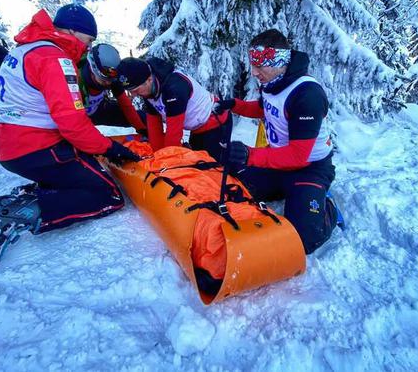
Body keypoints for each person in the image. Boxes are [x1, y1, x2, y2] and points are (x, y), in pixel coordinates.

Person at [0, 4, 141, 272]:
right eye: (88, 40)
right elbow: (72, 123)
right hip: (37, 146)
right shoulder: (55, 58)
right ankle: (15, 212)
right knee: (109, 195)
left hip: (13, 146)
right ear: (74, 31)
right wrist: (109, 148)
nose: (87, 48)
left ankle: (35, 194)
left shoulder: (26, 49)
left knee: (88, 165)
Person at [214, 29, 339, 254]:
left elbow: (298, 156)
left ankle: (325, 206)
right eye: (252, 65)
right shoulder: (273, 82)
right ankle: (290, 192)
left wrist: (250, 155)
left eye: (260, 66)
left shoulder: (306, 94)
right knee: (232, 184)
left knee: (303, 239)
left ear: (279, 62)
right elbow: (266, 109)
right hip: (279, 163)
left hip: (309, 168)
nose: (254, 73)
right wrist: (235, 105)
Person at [116, 56, 232, 162]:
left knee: (214, 166)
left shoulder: (174, 88)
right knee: (198, 162)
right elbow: (154, 129)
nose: (134, 95)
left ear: (149, 79)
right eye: (130, 91)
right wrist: (157, 157)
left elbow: (174, 134)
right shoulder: (148, 90)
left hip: (216, 123)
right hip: (197, 128)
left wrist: (167, 162)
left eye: (136, 90)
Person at [79, 43, 147, 132]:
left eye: (111, 80)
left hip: (99, 110)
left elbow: (125, 105)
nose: (108, 83)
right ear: (93, 70)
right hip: (78, 117)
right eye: (103, 80)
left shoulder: (112, 78)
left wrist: (141, 129)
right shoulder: (76, 81)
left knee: (143, 117)